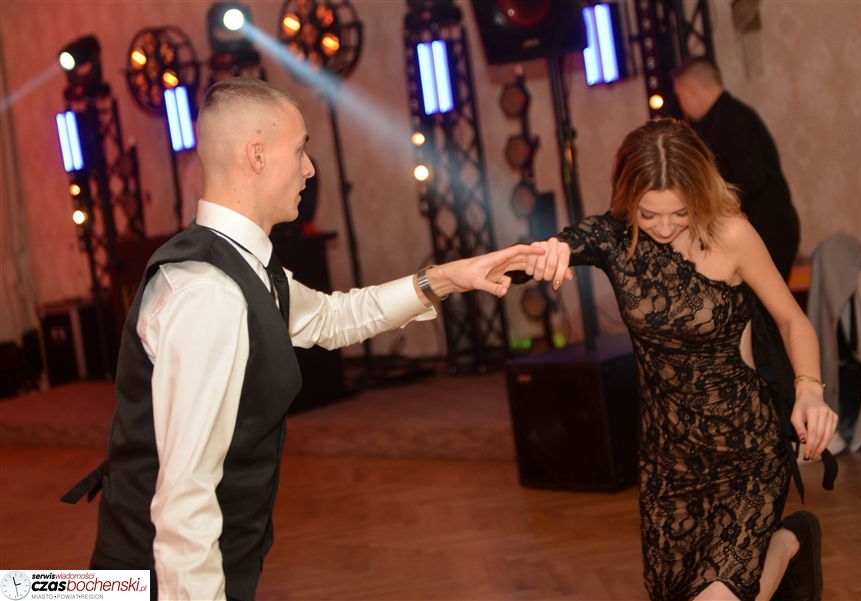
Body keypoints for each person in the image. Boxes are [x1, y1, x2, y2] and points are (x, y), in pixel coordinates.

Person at [62, 77, 545, 601]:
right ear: (256, 156)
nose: (310, 169)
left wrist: (447, 278)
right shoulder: (209, 294)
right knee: (33, 591)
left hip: (189, 567)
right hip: (153, 580)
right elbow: (185, 499)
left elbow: (334, 318)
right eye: (299, 150)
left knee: (29, 591)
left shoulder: (241, 265)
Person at [523, 118, 837, 601]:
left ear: (700, 193)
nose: (665, 228)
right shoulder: (614, 238)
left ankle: (782, 542)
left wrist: (810, 389)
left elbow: (793, 320)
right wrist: (530, 257)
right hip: (668, 460)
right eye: (649, 213)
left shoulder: (732, 235)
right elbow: (541, 255)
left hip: (745, 449)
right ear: (628, 197)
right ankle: (788, 542)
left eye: (680, 212)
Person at [673, 57, 799, 282]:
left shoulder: (733, 121)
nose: (681, 105)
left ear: (691, 89)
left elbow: (750, 182)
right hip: (762, 234)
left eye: (680, 96)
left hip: (768, 235)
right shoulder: (726, 119)